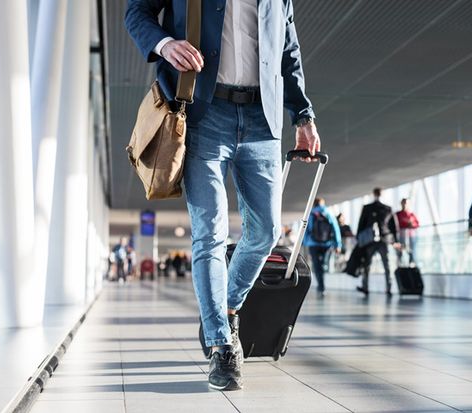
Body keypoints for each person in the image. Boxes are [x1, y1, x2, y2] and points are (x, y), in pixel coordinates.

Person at [126, 0, 320, 391]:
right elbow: (137, 11)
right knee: (209, 233)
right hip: (203, 114)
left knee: (265, 232)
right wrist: (164, 44)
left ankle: (227, 307)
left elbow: (288, 49)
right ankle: (221, 346)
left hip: (262, 121)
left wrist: (303, 114)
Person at [356, 188, 400, 296]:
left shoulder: (370, 208)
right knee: (382, 265)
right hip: (378, 240)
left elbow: (361, 225)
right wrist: (395, 240)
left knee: (374, 265)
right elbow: (393, 227)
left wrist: (359, 239)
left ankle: (368, 287)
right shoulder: (386, 208)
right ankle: (386, 288)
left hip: (378, 240)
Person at [303, 198, 342, 297]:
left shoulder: (310, 213)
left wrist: (305, 243)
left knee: (316, 265)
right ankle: (322, 281)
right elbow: (335, 229)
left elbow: (305, 229)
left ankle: (321, 286)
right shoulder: (328, 213)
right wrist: (338, 244)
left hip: (313, 244)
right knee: (324, 264)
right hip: (327, 243)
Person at [396, 198, 419, 267]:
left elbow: (417, 224)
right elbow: (395, 225)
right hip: (401, 236)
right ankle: (400, 266)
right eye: (403, 203)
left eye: (406, 203)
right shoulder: (398, 214)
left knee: (412, 252)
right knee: (400, 252)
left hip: (411, 236)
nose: (405, 204)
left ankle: (411, 266)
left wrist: (412, 225)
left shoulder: (411, 214)